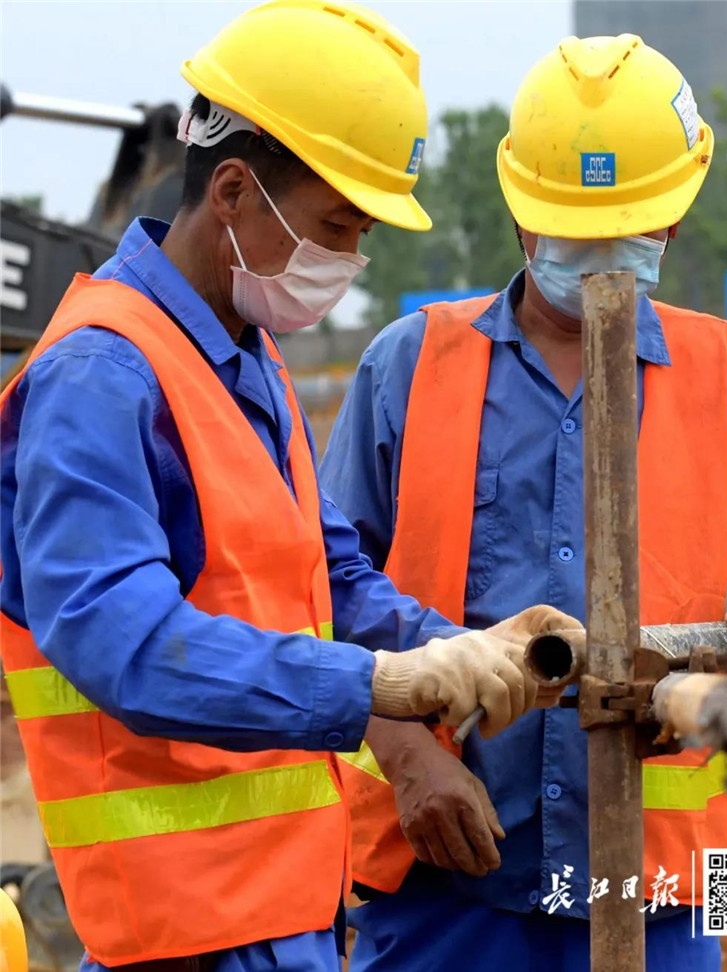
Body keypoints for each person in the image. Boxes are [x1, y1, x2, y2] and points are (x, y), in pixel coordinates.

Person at [0, 4, 574, 971]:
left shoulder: (244, 356)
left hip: (287, 909)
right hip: (181, 929)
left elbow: (326, 571)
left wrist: (460, 647)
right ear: (232, 189)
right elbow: (117, 637)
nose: (345, 266)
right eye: (335, 227)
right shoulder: (106, 377)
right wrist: (382, 690)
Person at [320, 33, 727, 972]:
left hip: (675, 892)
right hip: (442, 881)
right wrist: (411, 761)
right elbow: (319, 595)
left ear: (671, 224)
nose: (600, 255)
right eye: (574, 229)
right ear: (520, 216)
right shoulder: (406, 367)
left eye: (626, 228)